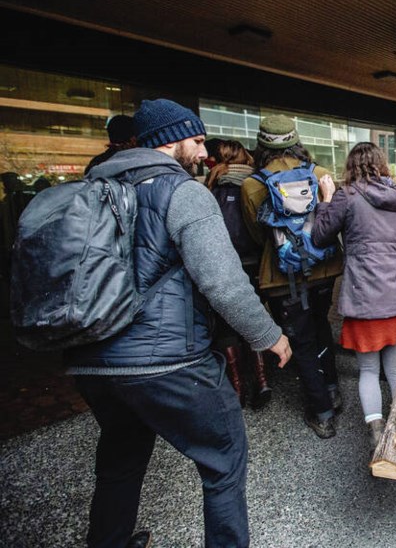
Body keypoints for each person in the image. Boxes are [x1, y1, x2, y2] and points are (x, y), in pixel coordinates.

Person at [66, 99, 292, 548]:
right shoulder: (183, 192)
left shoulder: (90, 189)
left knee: (119, 459)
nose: (203, 148)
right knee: (224, 459)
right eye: (197, 138)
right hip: (166, 361)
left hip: (91, 358)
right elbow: (224, 283)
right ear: (171, 141)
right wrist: (270, 335)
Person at [311, 142, 396, 453]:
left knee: (369, 371)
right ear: (381, 164)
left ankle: (376, 429)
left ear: (351, 167)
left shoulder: (348, 195)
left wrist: (326, 200)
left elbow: (320, 235)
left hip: (364, 299)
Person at [241, 114, 344, 439]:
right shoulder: (321, 174)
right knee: (321, 326)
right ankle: (333, 389)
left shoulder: (253, 184)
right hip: (324, 269)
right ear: (296, 140)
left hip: (283, 278)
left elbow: (257, 235)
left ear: (261, 145)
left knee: (300, 341)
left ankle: (322, 413)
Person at [206, 140, 273, 408]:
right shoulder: (256, 184)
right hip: (253, 262)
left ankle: (236, 388)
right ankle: (262, 380)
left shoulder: (211, 187)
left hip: (222, 264)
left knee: (225, 324)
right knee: (252, 315)